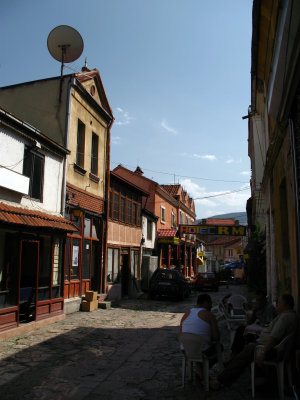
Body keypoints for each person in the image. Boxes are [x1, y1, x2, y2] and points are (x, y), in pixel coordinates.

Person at [210, 293, 298, 389]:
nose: (277, 305)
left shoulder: (285, 317)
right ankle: (256, 377)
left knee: (245, 353)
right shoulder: (288, 315)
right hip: (270, 346)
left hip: (270, 349)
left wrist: (263, 352)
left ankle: (221, 380)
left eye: (279, 303)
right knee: (245, 344)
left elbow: (274, 337)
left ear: (284, 304)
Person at [180, 294, 222, 378]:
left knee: (196, 346)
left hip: (186, 350)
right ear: (206, 302)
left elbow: (181, 333)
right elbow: (216, 337)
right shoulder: (209, 315)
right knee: (220, 347)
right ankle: (203, 369)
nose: (211, 306)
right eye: (210, 303)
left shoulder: (186, 314)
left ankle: (200, 371)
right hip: (201, 352)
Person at [231, 290, 276, 355]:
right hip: (258, 329)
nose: (258, 302)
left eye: (260, 300)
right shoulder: (258, 308)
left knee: (246, 334)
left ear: (264, 299)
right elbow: (250, 322)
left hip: (265, 332)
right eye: (257, 300)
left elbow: (269, 324)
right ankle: (236, 352)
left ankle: (240, 353)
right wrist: (254, 312)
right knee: (240, 329)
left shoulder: (269, 308)